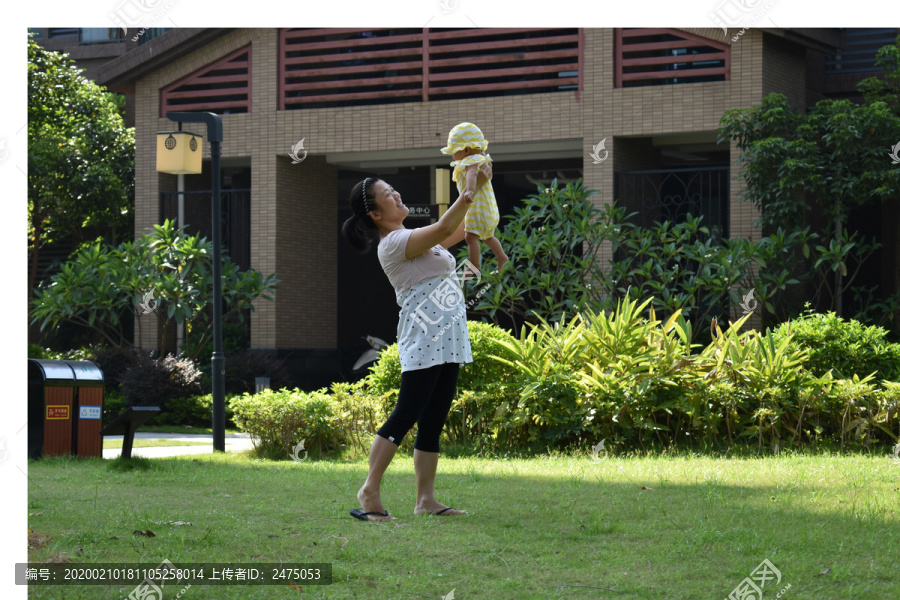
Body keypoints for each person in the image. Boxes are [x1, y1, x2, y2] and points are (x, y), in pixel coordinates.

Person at [340, 176, 474, 521]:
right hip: (425, 338)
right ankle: (369, 490)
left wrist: (480, 183)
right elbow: (446, 226)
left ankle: (425, 500)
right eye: (387, 194)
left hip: (447, 339)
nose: (397, 194)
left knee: (433, 420)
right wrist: (469, 187)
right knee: (405, 414)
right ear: (375, 213)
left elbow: (464, 227)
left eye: (394, 189)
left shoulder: (419, 240)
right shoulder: (395, 243)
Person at [441, 122, 509, 273]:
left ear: (466, 150)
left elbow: (472, 175)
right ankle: (501, 256)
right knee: (487, 237)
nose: (452, 155)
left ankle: (475, 266)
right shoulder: (481, 159)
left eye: (453, 151)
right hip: (488, 209)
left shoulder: (470, 161)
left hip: (478, 209)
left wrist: (470, 190)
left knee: (470, 238)